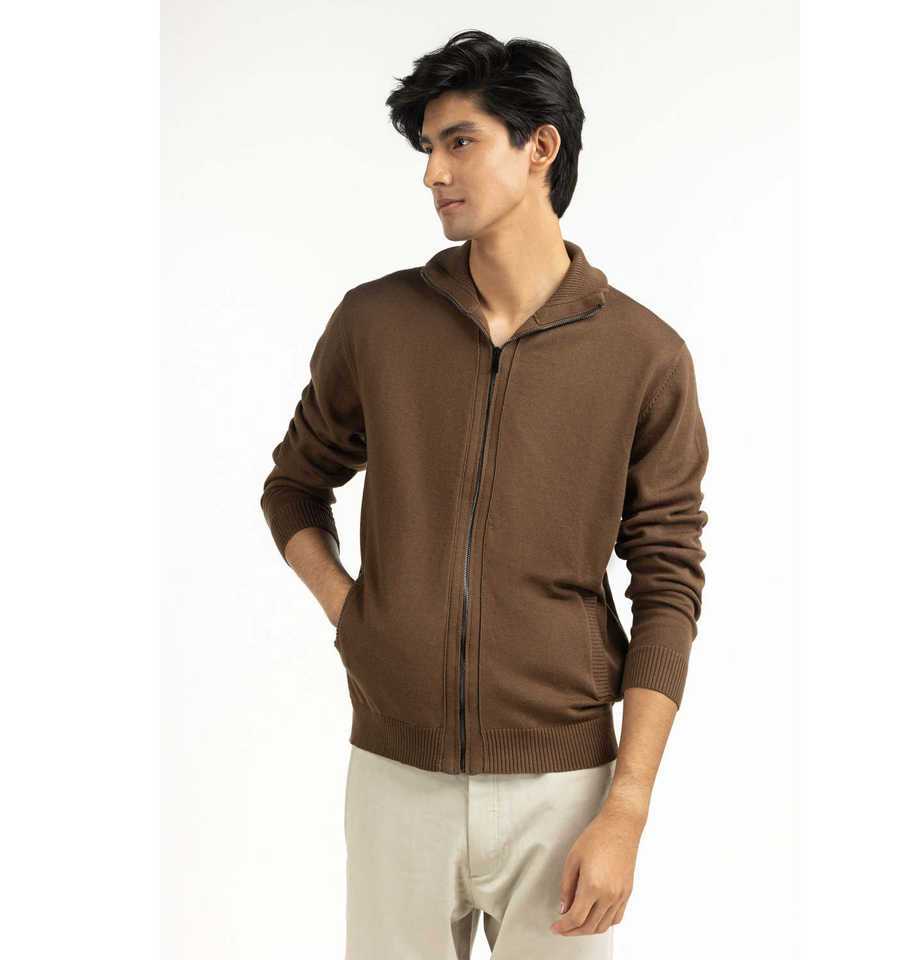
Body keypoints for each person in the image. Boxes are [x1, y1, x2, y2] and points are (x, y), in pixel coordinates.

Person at [260, 29, 709, 959]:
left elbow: (668, 585)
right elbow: (294, 487)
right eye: (428, 147)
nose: (433, 172)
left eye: (459, 141)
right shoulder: (377, 322)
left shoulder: (644, 356)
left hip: (564, 792)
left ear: (540, 146)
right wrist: (355, 616)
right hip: (394, 775)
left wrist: (626, 807)